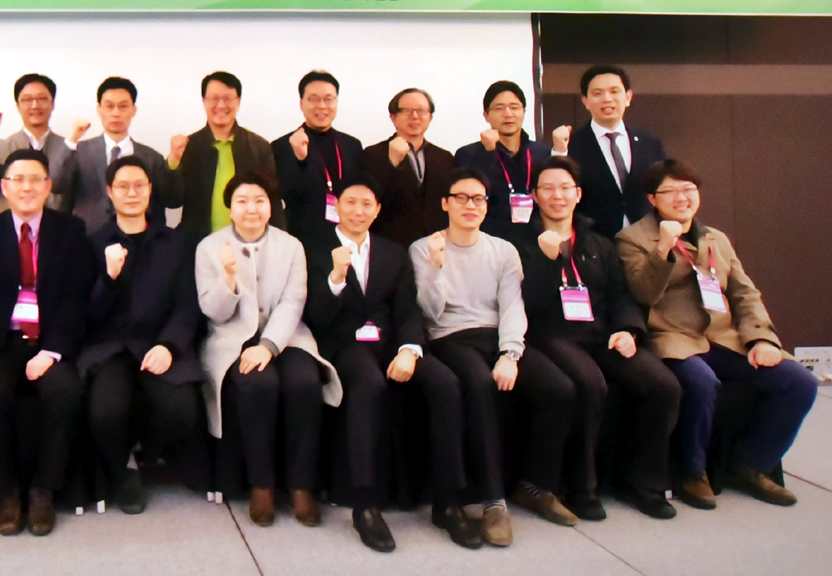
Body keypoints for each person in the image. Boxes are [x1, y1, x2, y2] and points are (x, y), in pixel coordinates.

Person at [616, 159, 817, 509]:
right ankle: (693, 471)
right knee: (701, 382)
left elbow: (744, 293)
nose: (682, 198)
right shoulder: (632, 239)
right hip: (674, 337)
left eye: (688, 189)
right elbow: (642, 294)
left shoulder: (716, 238)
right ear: (652, 199)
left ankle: (751, 464)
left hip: (725, 338)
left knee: (799, 382)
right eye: (670, 191)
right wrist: (663, 249)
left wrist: (761, 339)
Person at [302, 178, 476, 551]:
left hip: (390, 342)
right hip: (342, 344)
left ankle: (448, 502)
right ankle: (365, 505)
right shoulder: (315, 248)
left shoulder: (392, 252)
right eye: (351, 202)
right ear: (337, 206)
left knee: (445, 382)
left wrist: (410, 349)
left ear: (377, 210)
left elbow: (407, 310)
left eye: (367, 204)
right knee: (368, 383)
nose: (358, 211)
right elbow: (315, 317)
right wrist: (335, 278)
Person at [410, 168, 577, 547]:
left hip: (497, 335)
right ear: (445, 203)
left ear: (486, 206)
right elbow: (431, 313)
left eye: (478, 199)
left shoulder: (503, 250)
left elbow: (512, 305)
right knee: (480, 386)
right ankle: (493, 500)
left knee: (559, 389)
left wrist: (510, 353)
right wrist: (436, 267)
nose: (469, 205)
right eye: (461, 197)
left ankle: (535, 485)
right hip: (450, 337)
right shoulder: (425, 247)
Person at [514, 157, 682, 520]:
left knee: (663, 385)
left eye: (565, 188)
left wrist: (628, 329)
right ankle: (582, 489)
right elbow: (523, 302)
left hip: (601, 332)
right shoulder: (518, 242)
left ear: (578, 194)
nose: (557, 196)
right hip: (548, 335)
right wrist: (547, 261)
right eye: (547, 188)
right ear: (534, 196)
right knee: (590, 384)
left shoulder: (598, 242)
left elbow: (622, 294)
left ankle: (645, 484)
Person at [196, 173, 340, 528]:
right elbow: (213, 312)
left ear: (271, 207)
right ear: (230, 208)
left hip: (286, 336)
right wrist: (228, 277)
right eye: (242, 201)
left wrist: (268, 346)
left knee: (304, 383)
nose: (251, 209)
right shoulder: (209, 247)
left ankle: (302, 485)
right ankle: (261, 484)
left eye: (259, 201)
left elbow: (294, 301)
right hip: (232, 338)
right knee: (258, 384)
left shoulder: (291, 246)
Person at [0, 150, 92, 536]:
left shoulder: (71, 230)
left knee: (66, 393)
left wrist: (51, 352)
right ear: (4, 187)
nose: (26, 187)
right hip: (1, 340)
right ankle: (6, 492)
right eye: (17, 179)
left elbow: (76, 299)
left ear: (48, 187)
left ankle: (43, 491)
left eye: (35, 179)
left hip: (49, 339)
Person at [80, 156, 204, 515]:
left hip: (158, 342)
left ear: (150, 190)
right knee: (104, 414)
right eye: (123, 186)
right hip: (110, 347)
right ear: (109, 192)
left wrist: (170, 345)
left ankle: (140, 450)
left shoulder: (175, 243)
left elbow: (187, 304)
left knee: (181, 412)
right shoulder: (93, 243)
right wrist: (108, 278)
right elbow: (87, 315)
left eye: (139, 186)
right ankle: (124, 471)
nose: (132, 193)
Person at [170, 72, 281, 245]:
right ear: (204, 101)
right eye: (214, 98)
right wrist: (173, 161)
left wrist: (278, 245)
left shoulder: (259, 147)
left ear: (238, 101)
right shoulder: (188, 147)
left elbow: (273, 202)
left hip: (250, 245)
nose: (221, 105)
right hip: (198, 246)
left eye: (228, 98)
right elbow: (172, 200)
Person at [66, 77, 182, 235]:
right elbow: (57, 185)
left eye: (123, 106)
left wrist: (174, 160)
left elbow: (171, 200)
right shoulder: (79, 151)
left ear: (133, 110)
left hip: (140, 240)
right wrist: (72, 139)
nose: (116, 113)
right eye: (109, 106)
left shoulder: (151, 157)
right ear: (99, 109)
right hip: (88, 238)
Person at [453, 81, 566, 241]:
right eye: (499, 108)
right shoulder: (468, 154)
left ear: (524, 112)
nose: (508, 114)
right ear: (486, 115)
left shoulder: (542, 152)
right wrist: (488, 153)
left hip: (536, 240)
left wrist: (560, 151)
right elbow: (471, 196)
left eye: (514, 107)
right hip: (489, 241)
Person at [568, 65, 667, 237]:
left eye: (614, 91)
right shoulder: (572, 145)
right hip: (595, 241)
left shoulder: (650, 143)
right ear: (585, 101)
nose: (607, 99)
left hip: (646, 239)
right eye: (597, 93)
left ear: (628, 97)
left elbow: (663, 189)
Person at [271, 71, 364, 247]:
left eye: (328, 99)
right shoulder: (282, 146)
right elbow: (284, 195)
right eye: (313, 99)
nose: (321, 106)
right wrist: (300, 160)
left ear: (336, 102)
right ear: (301, 104)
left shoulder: (352, 145)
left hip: (347, 237)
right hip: (303, 240)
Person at [0, 73, 78, 213]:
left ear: (52, 104)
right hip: (10, 224)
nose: (35, 105)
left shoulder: (69, 148)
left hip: (58, 224)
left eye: (42, 99)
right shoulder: (3, 146)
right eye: (27, 100)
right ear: (18, 106)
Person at [362, 87, 455, 246]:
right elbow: (369, 199)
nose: (415, 116)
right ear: (393, 117)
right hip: (391, 244)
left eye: (422, 111)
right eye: (406, 111)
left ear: (430, 117)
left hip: (436, 244)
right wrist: (392, 163)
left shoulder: (445, 157)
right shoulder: (373, 154)